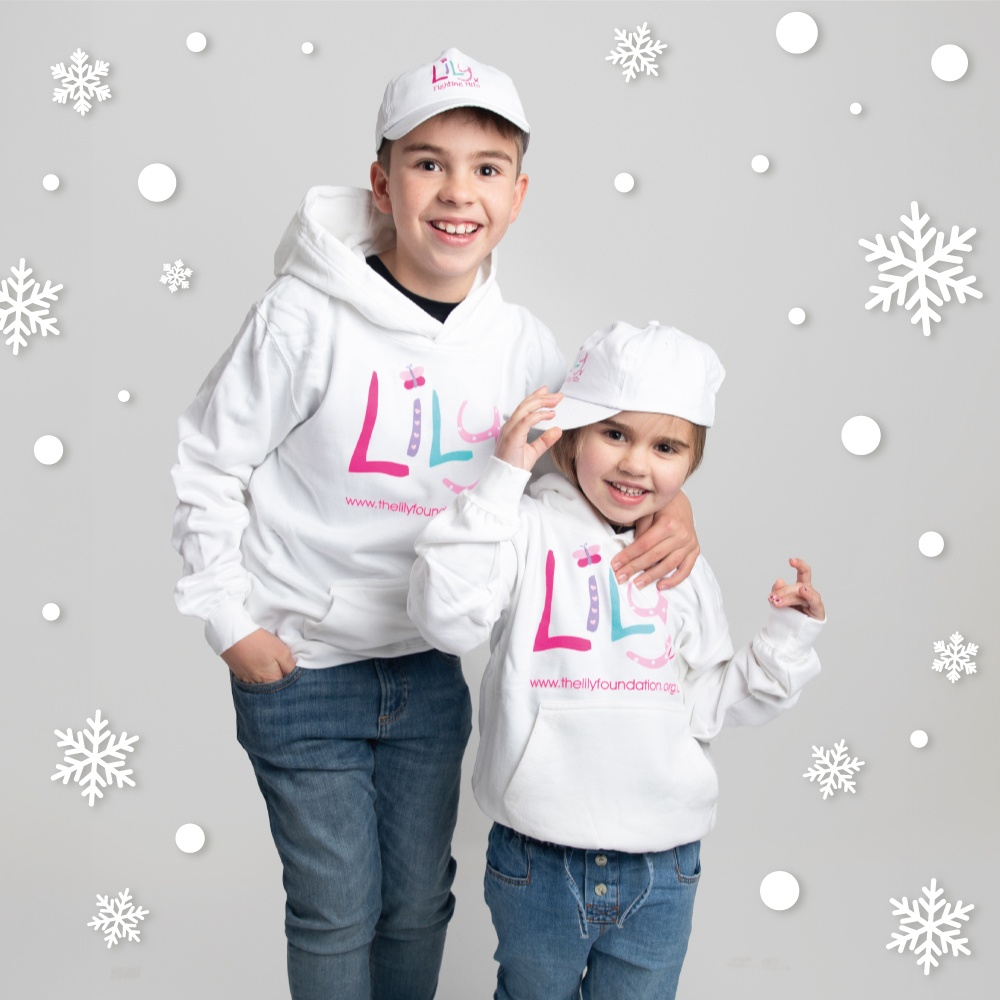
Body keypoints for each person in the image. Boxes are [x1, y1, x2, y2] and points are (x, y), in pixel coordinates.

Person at [170, 49, 700, 1000]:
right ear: (382, 183)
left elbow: (601, 463)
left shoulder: (522, 344)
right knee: (337, 905)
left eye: (486, 170)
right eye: (428, 162)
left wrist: (677, 502)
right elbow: (210, 461)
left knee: (419, 903)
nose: (458, 192)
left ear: (519, 194)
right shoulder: (303, 317)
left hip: (428, 667)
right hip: (301, 662)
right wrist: (228, 621)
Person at [408, 320, 826, 1000]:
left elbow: (707, 707)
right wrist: (504, 479)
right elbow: (446, 619)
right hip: (539, 859)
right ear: (571, 434)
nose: (637, 464)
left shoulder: (680, 564)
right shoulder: (522, 529)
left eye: (667, 447)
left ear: (691, 464)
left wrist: (785, 638)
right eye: (615, 433)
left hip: (664, 867)